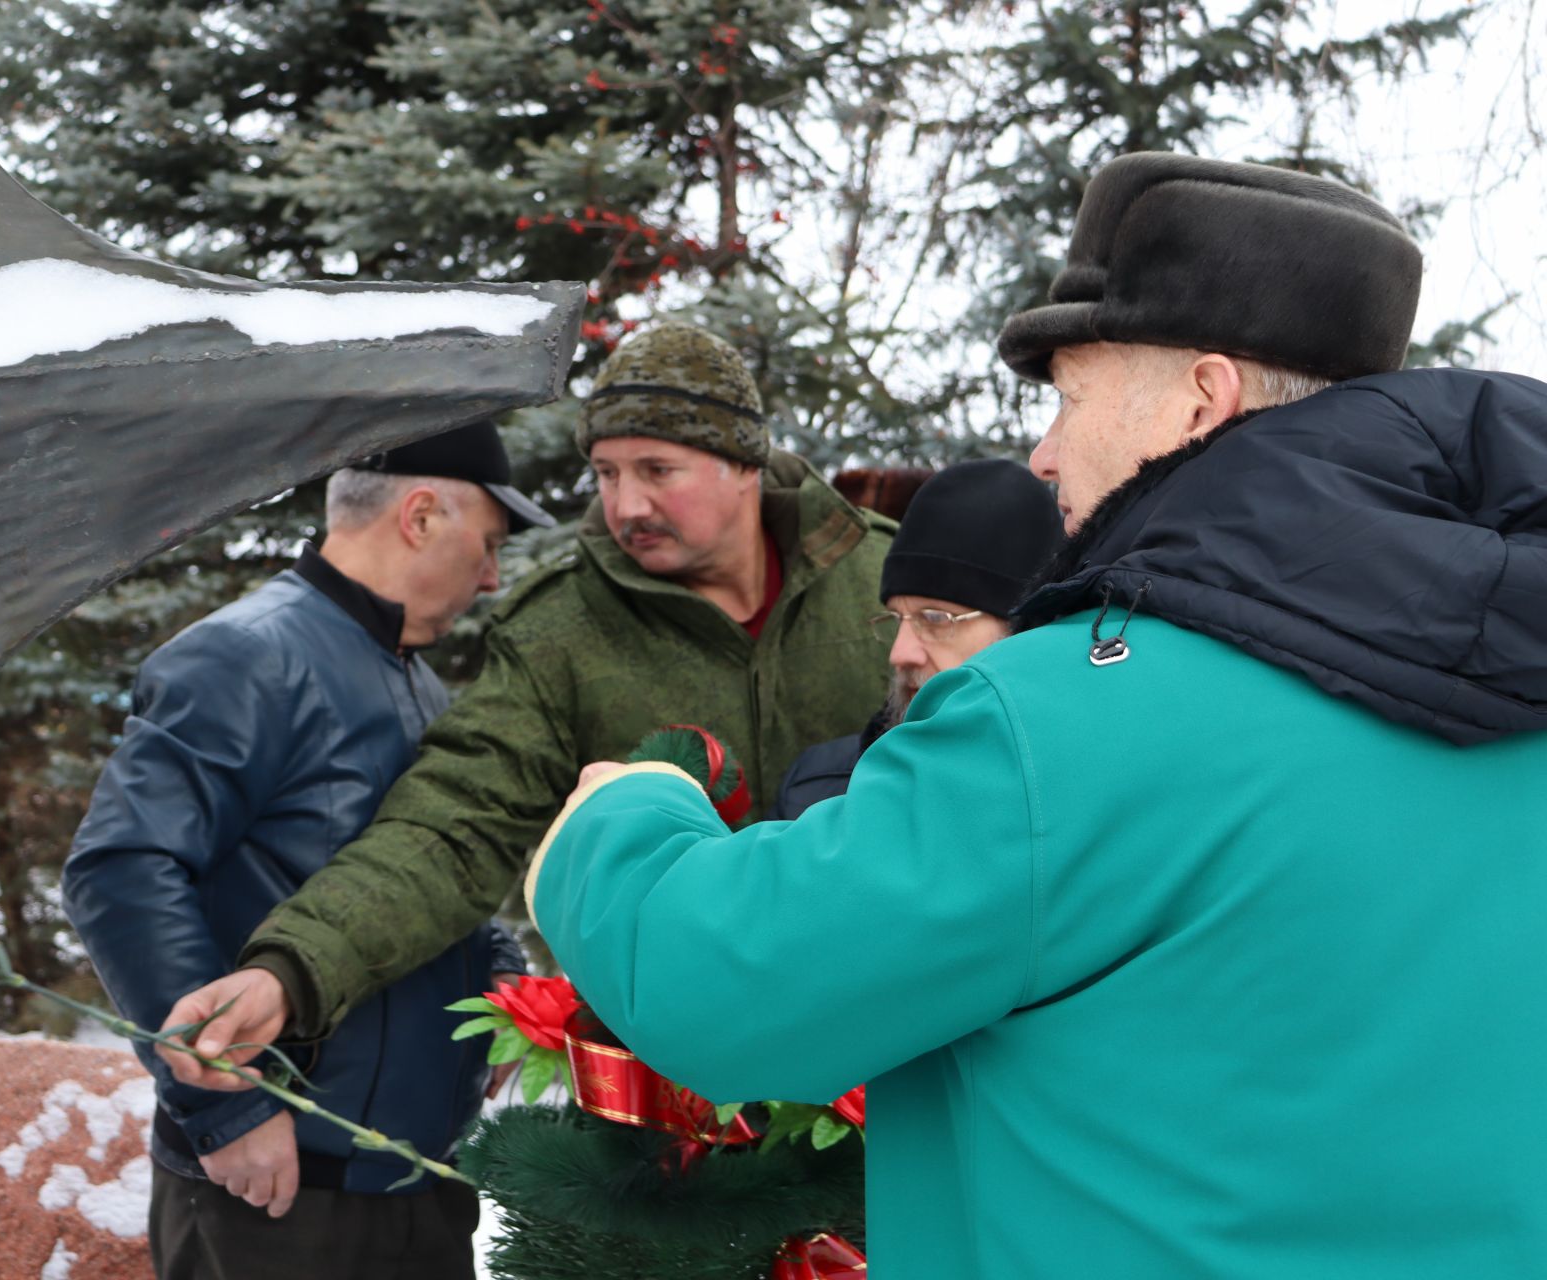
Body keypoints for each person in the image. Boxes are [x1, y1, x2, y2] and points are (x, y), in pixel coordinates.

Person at [519, 154, 1547, 1277]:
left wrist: (623, 821)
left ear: (1205, 398)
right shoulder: (1515, 687)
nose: (1045, 452)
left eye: (1070, 398)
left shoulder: (1059, 716)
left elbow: (728, 983)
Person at [156, 319, 897, 1057]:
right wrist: (291, 970)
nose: (627, 504)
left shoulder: (890, 587)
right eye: (607, 474)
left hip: (887, 1046)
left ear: (744, 463)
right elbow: (455, 825)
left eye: (656, 470)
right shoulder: (562, 629)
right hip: (660, 1077)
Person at [61, 420, 550, 1280]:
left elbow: (407, 880)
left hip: (410, 1192)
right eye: (489, 543)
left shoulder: (419, 681)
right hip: (281, 1199)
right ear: (423, 515)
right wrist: (224, 1114)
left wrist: (499, 975)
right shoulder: (246, 655)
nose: (492, 575)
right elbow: (123, 871)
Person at [774, 458, 1063, 817]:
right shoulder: (815, 792)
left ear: (1022, 633)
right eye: (897, 619)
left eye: (936, 619)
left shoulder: (1071, 809)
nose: (901, 653)